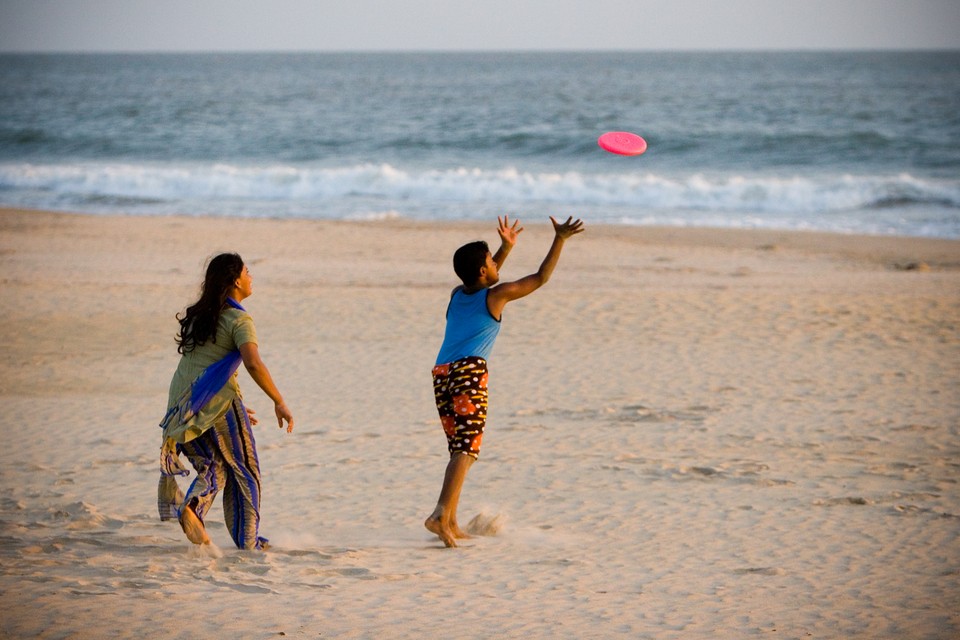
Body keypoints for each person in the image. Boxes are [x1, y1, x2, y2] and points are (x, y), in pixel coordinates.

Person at [424, 215, 585, 547]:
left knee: (458, 448)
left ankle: (451, 521)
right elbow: (540, 278)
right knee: (467, 449)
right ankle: (440, 516)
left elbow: (482, 275)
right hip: (468, 371)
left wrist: (505, 247)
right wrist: (560, 239)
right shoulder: (495, 297)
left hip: (442, 374)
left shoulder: (458, 293)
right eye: (491, 262)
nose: (497, 266)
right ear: (483, 271)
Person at [157, 252, 294, 550]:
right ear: (235, 281)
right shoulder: (239, 319)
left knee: (214, 466)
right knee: (246, 469)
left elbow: (204, 366)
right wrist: (278, 400)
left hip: (182, 406)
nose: (251, 276)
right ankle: (247, 541)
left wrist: (234, 404)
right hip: (213, 403)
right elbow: (253, 363)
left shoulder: (201, 316)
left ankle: (193, 508)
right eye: (247, 271)